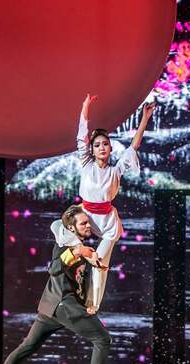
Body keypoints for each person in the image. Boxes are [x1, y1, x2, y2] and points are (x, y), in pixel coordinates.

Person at [0, 205, 117, 364]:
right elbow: (54, 268)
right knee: (102, 339)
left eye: (88, 222)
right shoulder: (64, 244)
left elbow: (79, 281)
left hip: (52, 307)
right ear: (71, 228)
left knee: (27, 347)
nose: (88, 226)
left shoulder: (81, 247)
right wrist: (76, 251)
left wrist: (88, 304)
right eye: (83, 223)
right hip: (63, 305)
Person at [50, 94, 155, 313]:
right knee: (58, 226)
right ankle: (66, 282)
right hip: (85, 217)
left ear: (110, 148)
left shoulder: (115, 171)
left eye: (105, 144)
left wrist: (145, 118)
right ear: (92, 149)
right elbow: (81, 136)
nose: (101, 148)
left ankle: (93, 304)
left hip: (107, 224)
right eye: (97, 145)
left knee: (99, 263)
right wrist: (85, 106)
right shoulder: (86, 164)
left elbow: (134, 146)